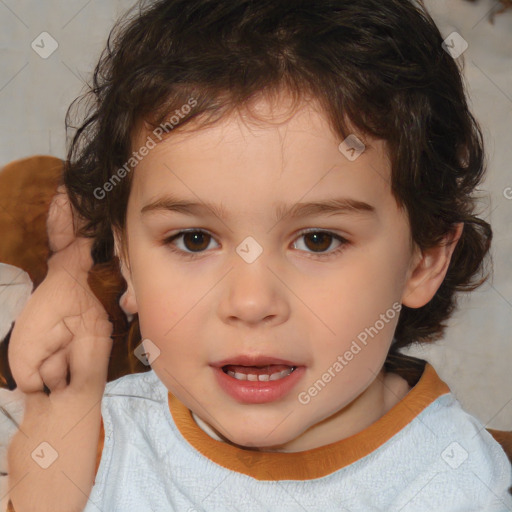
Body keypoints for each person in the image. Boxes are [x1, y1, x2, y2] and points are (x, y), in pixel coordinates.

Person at [6, 0, 512, 510]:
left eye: (318, 240)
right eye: (194, 239)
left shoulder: (457, 483)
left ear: (422, 259)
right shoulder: (90, 439)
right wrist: (67, 277)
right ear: (128, 259)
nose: (250, 302)